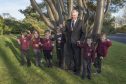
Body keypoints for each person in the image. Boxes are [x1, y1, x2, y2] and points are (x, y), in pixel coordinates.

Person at [64, 9, 85, 75]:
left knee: (77, 57)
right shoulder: (68, 21)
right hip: (69, 43)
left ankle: (78, 71)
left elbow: (83, 33)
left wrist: (80, 40)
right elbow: (65, 31)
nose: (73, 16)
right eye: (72, 15)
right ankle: (72, 68)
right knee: (71, 56)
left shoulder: (81, 22)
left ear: (77, 15)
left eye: (75, 15)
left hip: (77, 43)